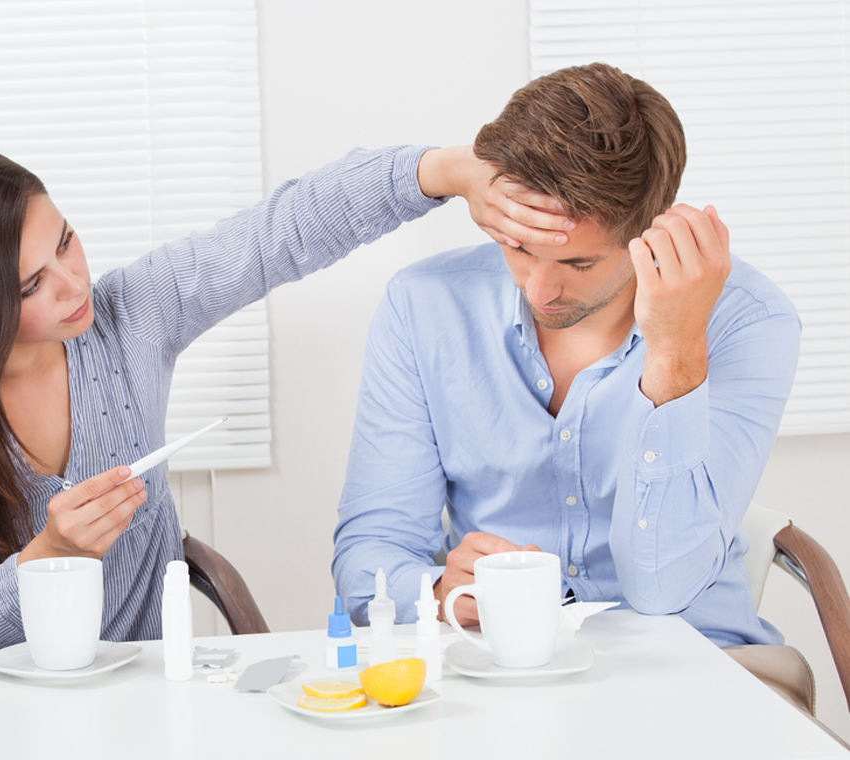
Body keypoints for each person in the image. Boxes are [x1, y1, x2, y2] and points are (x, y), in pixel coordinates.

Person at [0, 141, 567, 759]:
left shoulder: (131, 317)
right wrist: (47, 558)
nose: (73, 283)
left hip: (124, 701)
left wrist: (446, 170)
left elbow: (279, 231)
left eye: (65, 240)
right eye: (32, 284)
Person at [332, 64, 801, 653]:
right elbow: (369, 559)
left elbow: (666, 589)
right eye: (517, 246)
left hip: (693, 654)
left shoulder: (748, 320)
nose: (539, 290)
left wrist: (675, 351)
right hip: (500, 661)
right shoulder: (424, 306)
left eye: (579, 263)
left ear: (653, 230)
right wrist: (437, 591)